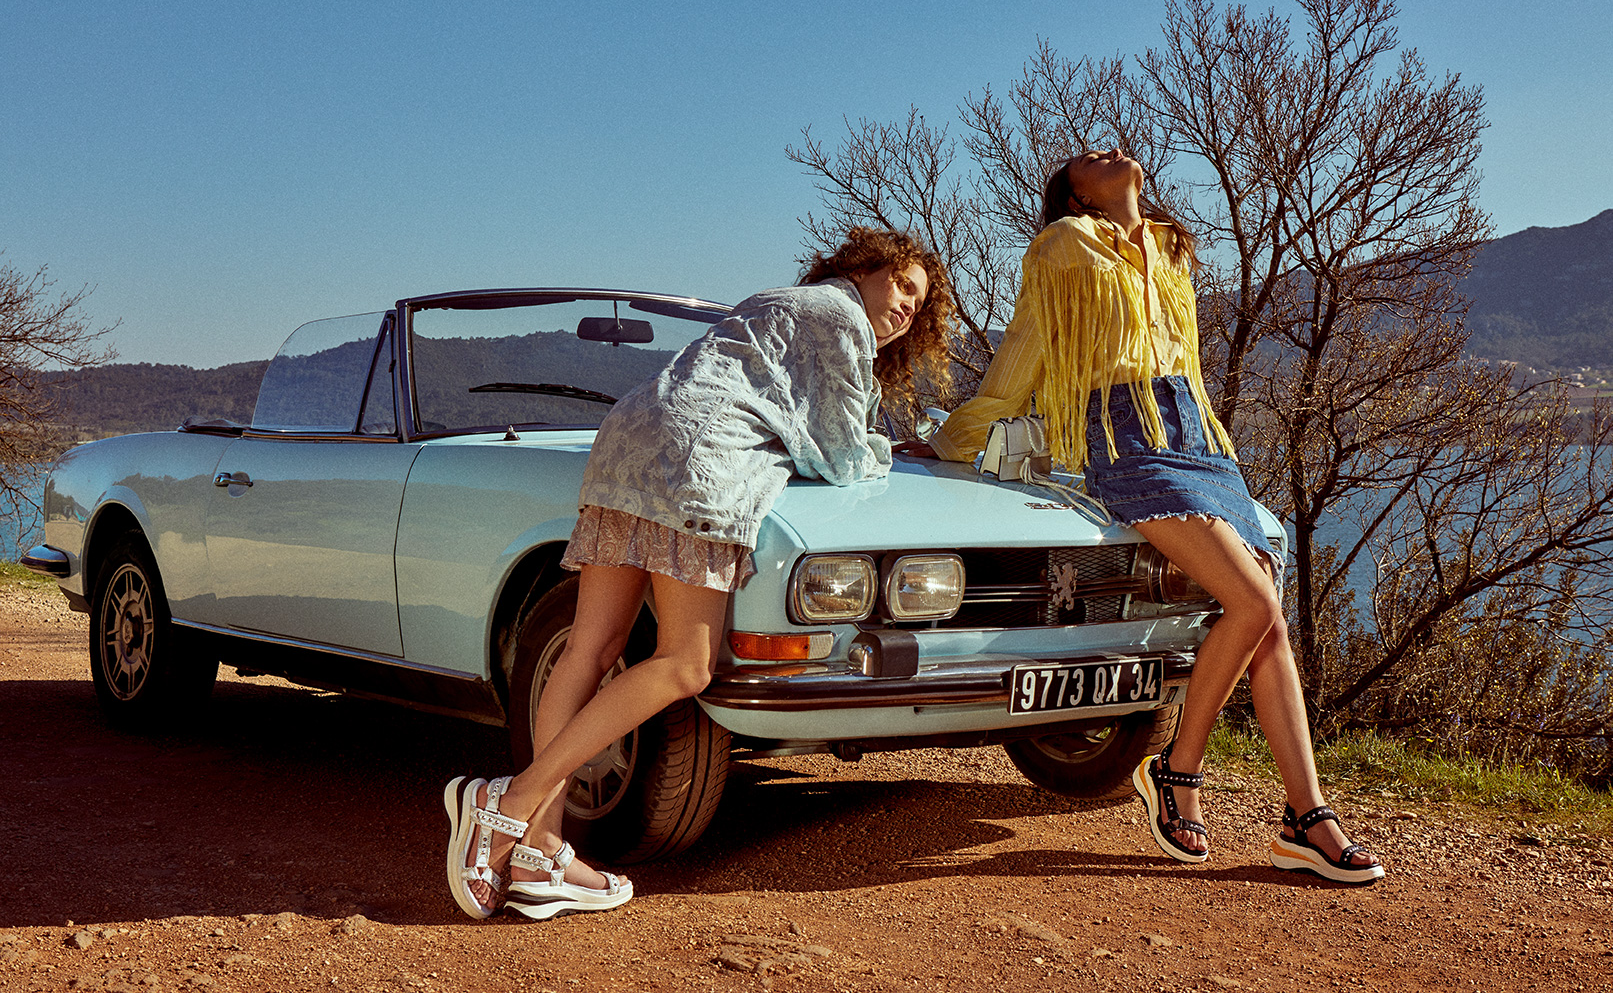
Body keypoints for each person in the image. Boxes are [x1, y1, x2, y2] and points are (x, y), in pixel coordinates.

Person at [445, 227, 956, 920]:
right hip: (699, 457)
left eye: (918, 306)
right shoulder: (841, 318)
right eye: (901, 285)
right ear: (862, 268)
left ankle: (540, 847)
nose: (905, 308)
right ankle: (511, 801)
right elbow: (839, 457)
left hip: (629, 437)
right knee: (685, 665)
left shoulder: (777, 304)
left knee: (590, 646)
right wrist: (885, 450)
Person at [926, 150, 1383, 884]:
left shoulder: (1171, 248)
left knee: (1267, 625)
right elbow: (1026, 349)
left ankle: (1306, 815)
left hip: (1200, 441)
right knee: (1254, 603)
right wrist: (953, 436)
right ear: (1076, 196)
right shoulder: (1063, 244)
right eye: (1087, 158)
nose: (1107, 150)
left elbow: (1183, 361)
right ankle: (1177, 770)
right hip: (1127, 441)